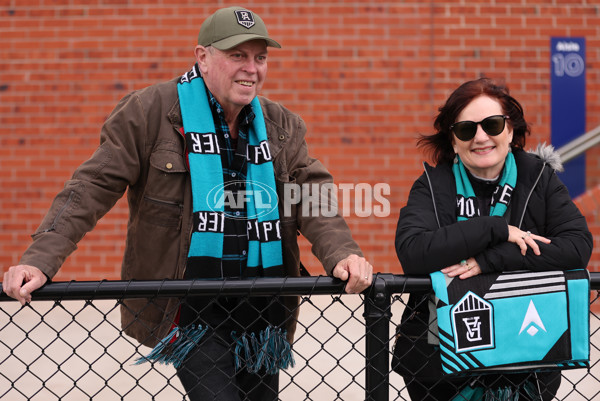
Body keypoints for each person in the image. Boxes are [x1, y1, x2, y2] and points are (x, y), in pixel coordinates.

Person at [2, 6, 373, 400]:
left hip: (262, 311)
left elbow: (312, 196)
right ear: (203, 56)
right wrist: (40, 259)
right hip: (190, 308)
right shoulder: (148, 113)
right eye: (237, 56)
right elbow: (90, 187)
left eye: (260, 57)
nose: (252, 68)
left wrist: (342, 253)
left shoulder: (281, 126)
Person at [392, 77, 593, 400]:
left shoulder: (538, 178)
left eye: (493, 125)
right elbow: (413, 252)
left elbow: (576, 247)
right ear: (453, 141)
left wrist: (490, 259)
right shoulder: (433, 185)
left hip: (528, 359)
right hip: (440, 370)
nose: (481, 137)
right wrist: (496, 229)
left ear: (510, 131)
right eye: (466, 129)